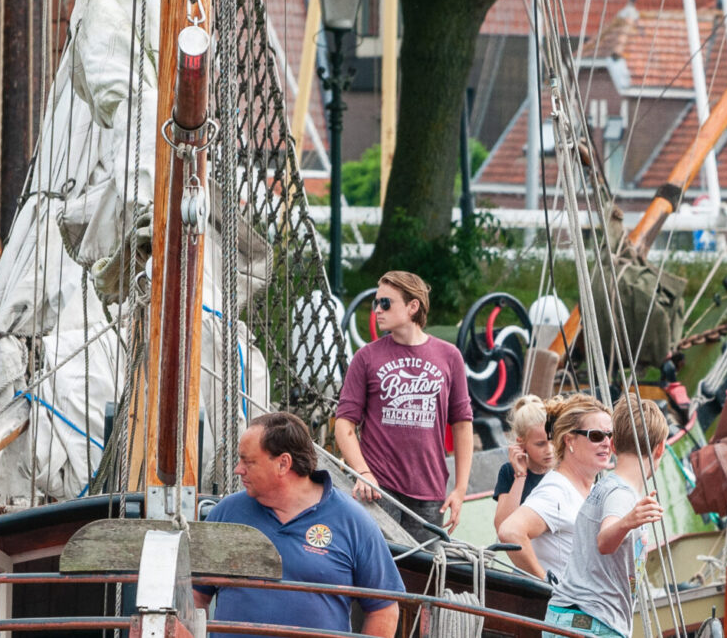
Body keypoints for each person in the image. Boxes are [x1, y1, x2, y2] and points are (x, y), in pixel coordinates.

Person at [195, 412, 405, 638]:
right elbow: (193, 596)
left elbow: (384, 610)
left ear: (283, 463)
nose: (238, 469)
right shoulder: (226, 513)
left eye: (248, 461)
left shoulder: (353, 521)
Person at [333, 271, 475, 543]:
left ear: (413, 306)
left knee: (422, 568)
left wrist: (460, 488)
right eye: (376, 303)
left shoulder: (450, 356)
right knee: (376, 563)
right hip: (377, 488)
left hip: (430, 490)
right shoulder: (366, 357)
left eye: (385, 303)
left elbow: (462, 424)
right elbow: (344, 423)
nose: (377, 310)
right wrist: (363, 472)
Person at [545, 394, 669, 638]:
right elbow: (604, 541)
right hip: (594, 623)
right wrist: (628, 522)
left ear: (612, 445)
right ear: (660, 448)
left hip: (568, 617)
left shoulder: (604, 487)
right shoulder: (621, 494)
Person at [497, 394, 611, 580]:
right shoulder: (555, 492)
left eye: (610, 435)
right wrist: (546, 583)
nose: (606, 443)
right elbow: (509, 531)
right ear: (569, 441)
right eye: (596, 435)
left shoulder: (588, 490)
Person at [492, 395, 555, 530]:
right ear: (522, 443)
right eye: (540, 444)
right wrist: (520, 476)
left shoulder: (564, 468)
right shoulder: (509, 471)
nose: (549, 450)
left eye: (553, 441)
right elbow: (502, 526)